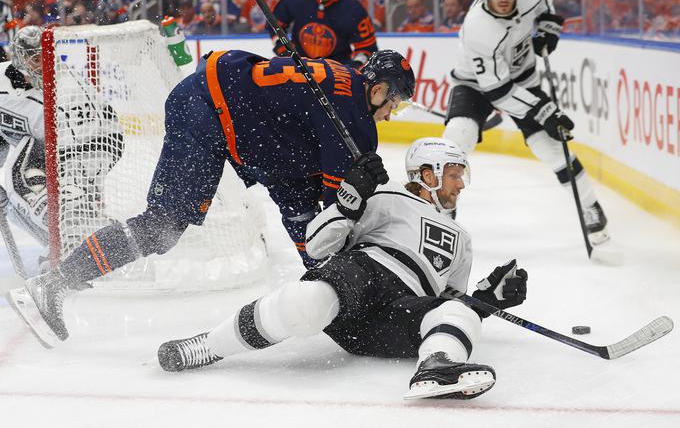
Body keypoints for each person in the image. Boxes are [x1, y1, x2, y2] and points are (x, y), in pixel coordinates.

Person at [6, 49, 416, 346]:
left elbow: (320, 220)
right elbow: (338, 213)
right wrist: (355, 190)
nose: (392, 112)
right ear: (379, 90)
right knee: (163, 227)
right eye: (395, 101)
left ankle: (336, 303)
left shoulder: (343, 83)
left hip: (263, 139)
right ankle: (54, 284)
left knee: (308, 227)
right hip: (210, 109)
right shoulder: (354, 118)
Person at [155, 138, 529, 401]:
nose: (461, 183)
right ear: (427, 174)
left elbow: (445, 304)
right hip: (363, 273)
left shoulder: (462, 239)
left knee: (461, 313)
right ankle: (209, 346)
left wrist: (485, 300)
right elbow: (317, 246)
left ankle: (436, 366)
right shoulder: (386, 194)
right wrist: (348, 201)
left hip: (393, 316)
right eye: (453, 173)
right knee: (308, 304)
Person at [444, 0, 609, 244]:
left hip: (524, 78)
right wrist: (544, 110)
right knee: (457, 136)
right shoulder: (478, 27)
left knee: (551, 148)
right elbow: (498, 91)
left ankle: (590, 206)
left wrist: (547, 27)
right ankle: (440, 211)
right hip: (476, 85)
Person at [0, 26, 121, 266]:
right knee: (14, 198)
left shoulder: (70, 81)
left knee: (77, 209)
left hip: (82, 150)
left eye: (45, 55)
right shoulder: (5, 84)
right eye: (35, 58)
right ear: (21, 58)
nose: (42, 63)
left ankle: (90, 246)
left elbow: (109, 128)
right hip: (44, 152)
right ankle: (62, 248)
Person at [271, 0, 378, 67]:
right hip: (300, 64)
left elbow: (367, 47)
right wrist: (282, 46)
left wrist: (355, 66)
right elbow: (275, 24)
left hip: (337, 70)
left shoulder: (353, 8)